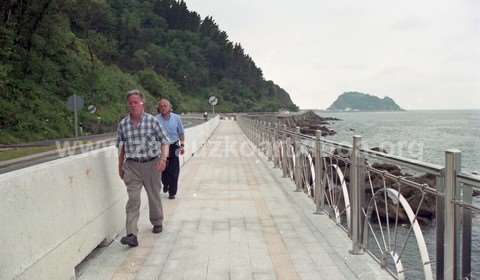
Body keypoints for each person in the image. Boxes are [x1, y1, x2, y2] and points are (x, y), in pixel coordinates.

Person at [117, 89, 170, 247]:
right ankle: (131, 234)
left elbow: (165, 141)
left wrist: (163, 158)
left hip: (151, 164)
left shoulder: (152, 121)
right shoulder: (123, 124)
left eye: (136, 102)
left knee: (153, 195)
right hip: (132, 165)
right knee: (133, 200)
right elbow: (121, 147)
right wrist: (120, 166)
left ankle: (157, 221)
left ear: (142, 103)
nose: (133, 105)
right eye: (130, 103)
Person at [156, 99, 185, 199]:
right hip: (161, 147)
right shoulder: (156, 119)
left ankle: (172, 192)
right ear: (159, 108)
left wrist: (182, 145)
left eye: (165, 106)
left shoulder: (176, 118)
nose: (163, 107)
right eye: (161, 106)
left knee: (174, 170)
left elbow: (181, 133)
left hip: (174, 146)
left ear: (170, 107)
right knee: (164, 170)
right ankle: (165, 184)